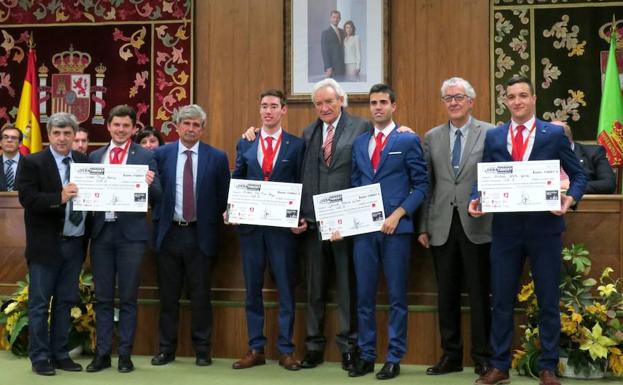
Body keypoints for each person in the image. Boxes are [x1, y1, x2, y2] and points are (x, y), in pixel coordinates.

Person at [468, 75, 587, 385]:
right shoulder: (495, 137)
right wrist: (475, 198)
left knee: (548, 299)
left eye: (523, 95)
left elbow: (578, 176)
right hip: (505, 231)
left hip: (544, 229)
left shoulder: (554, 135)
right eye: (512, 96)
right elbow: (484, 177)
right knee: (502, 300)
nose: (517, 101)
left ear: (534, 99)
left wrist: (569, 200)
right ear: (505, 101)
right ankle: (499, 367)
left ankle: (548, 367)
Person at [242, 79, 367, 371]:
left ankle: (349, 348)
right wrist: (299, 215)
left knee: (347, 289)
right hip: (311, 223)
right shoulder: (308, 133)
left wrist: (402, 129)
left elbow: (375, 153)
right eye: (319, 103)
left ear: (341, 101)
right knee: (314, 289)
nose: (324, 107)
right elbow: (299, 179)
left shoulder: (360, 128)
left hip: (345, 224)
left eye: (329, 102)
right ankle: (313, 346)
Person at [346, 84, 427, 380]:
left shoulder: (407, 140)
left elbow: (421, 186)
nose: (377, 107)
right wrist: (345, 223)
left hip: (397, 230)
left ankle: (394, 357)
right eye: (373, 103)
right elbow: (355, 186)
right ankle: (367, 356)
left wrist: (398, 214)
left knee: (396, 297)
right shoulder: (360, 143)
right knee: (364, 297)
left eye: (383, 102)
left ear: (393, 106)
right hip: (364, 232)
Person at [417, 77, 493, 376]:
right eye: (448, 98)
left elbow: (494, 175)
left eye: (459, 97)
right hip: (441, 225)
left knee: (479, 293)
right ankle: (450, 356)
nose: (453, 102)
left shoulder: (490, 133)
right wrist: (423, 225)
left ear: (470, 101)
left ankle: (482, 356)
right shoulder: (431, 137)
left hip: (478, 223)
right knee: (446, 295)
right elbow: (427, 184)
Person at [229, 89, 306, 371]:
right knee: (252, 289)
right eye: (264, 106)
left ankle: (286, 350)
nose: (268, 111)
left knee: (286, 288)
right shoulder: (246, 143)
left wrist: (302, 217)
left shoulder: (297, 145)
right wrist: (231, 208)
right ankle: (255, 348)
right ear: (259, 110)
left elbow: (301, 183)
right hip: (250, 229)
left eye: (274, 106)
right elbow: (237, 179)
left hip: (282, 230)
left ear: (284, 110)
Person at [150, 104, 230, 368]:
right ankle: (166, 349)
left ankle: (203, 350)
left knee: (200, 296)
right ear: (177, 126)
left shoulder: (217, 157)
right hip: (169, 233)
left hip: (201, 235)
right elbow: (154, 195)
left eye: (196, 125)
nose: (191, 128)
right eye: (187, 124)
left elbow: (223, 197)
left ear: (202, 128)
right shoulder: (161, 155)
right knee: (168, 297)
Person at [86, 105, 161, 374]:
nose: (120, 130)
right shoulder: (94, 156)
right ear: (108, 126)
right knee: (103, 298)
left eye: (125, 126)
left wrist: (151, 183)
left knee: (128, 297)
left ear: (133, 128)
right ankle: (102, 353)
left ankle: (125, 355)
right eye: (116, 125)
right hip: (102, 234)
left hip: (131, 236)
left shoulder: (145, 155)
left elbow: (159, 196)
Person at [16, 112, 89, 375]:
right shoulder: (32, 162)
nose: (62, 138)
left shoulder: (83, 160)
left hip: (74, 243)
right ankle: (40, 358)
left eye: (67, 133)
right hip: (45, 245)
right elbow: (28, 199)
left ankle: (60, 354)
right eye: (57, 133)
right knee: (39, 304)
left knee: (65, 303)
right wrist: (58, 196)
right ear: (49, 135)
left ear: (74, 136)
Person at [555, 121, 616, 194]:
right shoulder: (540, 153)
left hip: (584, 202)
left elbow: (608, 184)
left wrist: (575, 186)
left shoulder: (594, 153)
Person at [321, 10, 345, 79]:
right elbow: (324, 51)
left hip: (343, 66)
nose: (336, 19)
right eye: (334, 17)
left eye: (337, 17)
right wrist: (328, 67)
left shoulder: (342, 32)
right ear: (330, 18)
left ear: (340, 19)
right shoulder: (325, 33)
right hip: (332, 67)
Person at [0, 125, 23, 191]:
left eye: (14, 138)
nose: (9, 140)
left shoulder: (32, 165)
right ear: (0, 142)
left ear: (20, 143)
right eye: (5, 137)